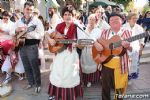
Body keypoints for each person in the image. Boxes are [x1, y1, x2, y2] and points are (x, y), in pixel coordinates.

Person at [47, 6, 83, 100]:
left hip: (71, 55)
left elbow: (82, 45)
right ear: (63, 16)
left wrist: (77, 44)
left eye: (70, 14)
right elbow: (48, 33)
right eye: (65, 14)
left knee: (69, 76)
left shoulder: (77, 27)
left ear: (73, 16)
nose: (67, 16)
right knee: (58, 74)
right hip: (59, 54)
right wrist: (50, 39)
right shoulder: (59, 26)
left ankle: (69, 96)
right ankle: (57, 94)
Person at [94, 13, 132, 100]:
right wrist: (96, 44)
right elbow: (95, 41)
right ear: (109, 23)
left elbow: (134, 49)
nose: (114, 21)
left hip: (121, 65)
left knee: (120, 88)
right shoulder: (104, 32)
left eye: (116, 19)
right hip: (106, 64)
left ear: (122, 21)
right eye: (111, 20)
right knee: (105, 87)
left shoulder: (128, 32)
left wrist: (128, 46)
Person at [15, 1, 44, 93]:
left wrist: (29, 33)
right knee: (26, 66)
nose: (29, 11)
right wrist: (17, 29)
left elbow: (41, 34)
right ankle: (30, 82)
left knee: (34, 66)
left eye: (31, 10)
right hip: (21, 46)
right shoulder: (19, 21)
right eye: (27, 9)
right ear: (23, 9)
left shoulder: (37, 21)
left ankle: (38, 84)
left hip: (32, 46)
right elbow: (12, 32)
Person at [80, 14, 101, 87]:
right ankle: (85, 80)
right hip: (85, 50)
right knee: (85, 64)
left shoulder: (98, 30)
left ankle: (91, 80)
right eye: (90, 19)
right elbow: (81, 40)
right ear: (88, 20)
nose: (91, 21)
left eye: (93, 19)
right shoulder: (84, 28)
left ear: (96, 21)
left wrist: (91, 42)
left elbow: (98, 41)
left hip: (93, 51)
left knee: (92, 65)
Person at [123, 13, 144, 83]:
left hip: (135, 50)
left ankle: (129, 78)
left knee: (133, 64)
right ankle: (123, 77)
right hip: (125, 49)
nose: (135, 20)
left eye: (136, 18)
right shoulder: (123, 27)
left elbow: (142, 40)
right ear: (129, 19)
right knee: (125, 64)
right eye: (133, 18)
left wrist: (141, 50)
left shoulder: (139, 28)